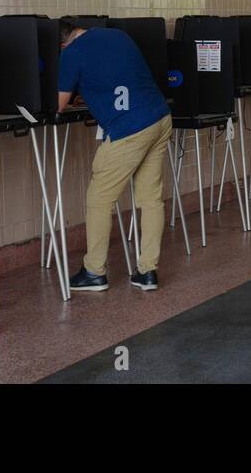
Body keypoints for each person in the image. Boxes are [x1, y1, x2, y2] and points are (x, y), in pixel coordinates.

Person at [57, 18, 172, 292]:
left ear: (63, 44)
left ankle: (94, 271)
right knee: (150, 198)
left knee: (99, 198)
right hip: (160, 118)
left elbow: (58, 105)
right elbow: (119, 77)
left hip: (129, 128)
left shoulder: (72, 53)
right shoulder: (118, 35)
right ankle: (147, 272)